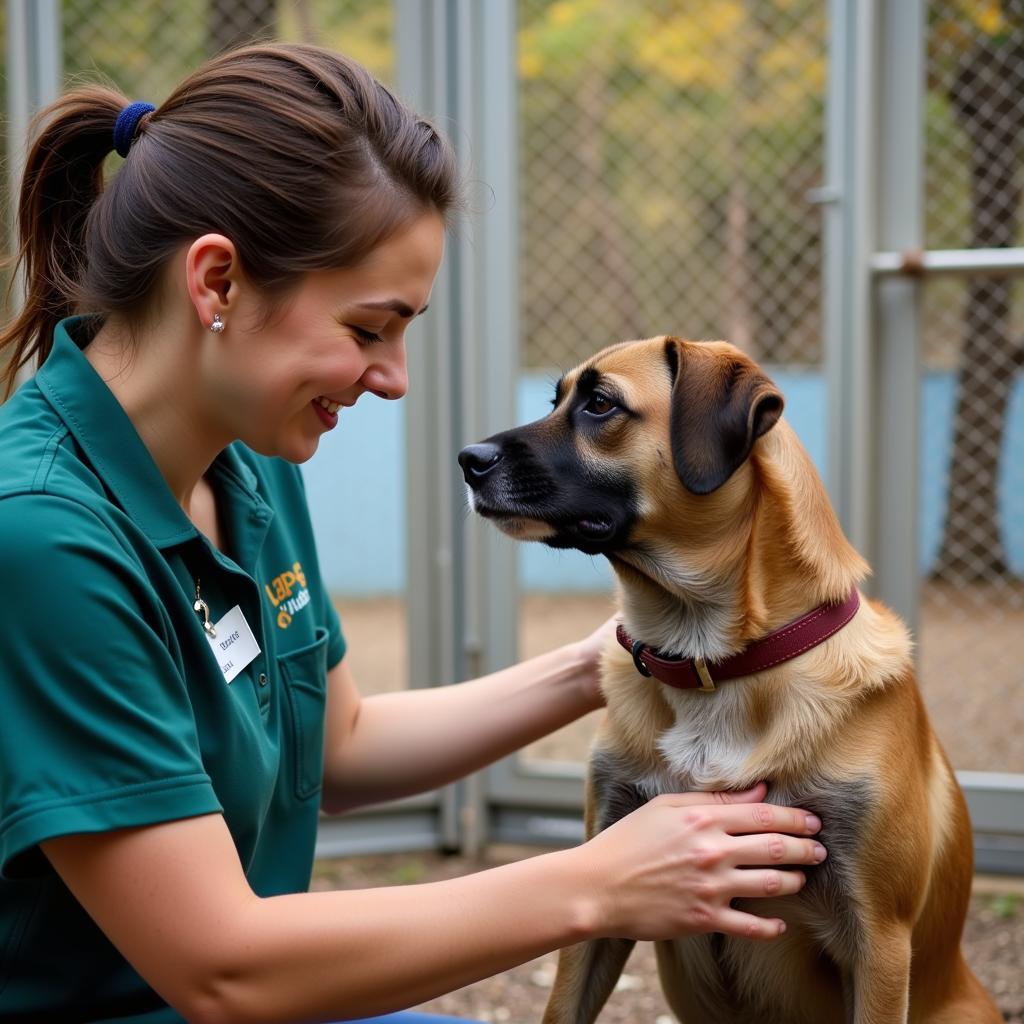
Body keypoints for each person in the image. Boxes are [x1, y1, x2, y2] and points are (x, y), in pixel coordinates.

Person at [0, 42, 827, 1024]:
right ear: (216, 283)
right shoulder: (43, 537)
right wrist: (597, 883)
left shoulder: (247, 455)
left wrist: (605, 662)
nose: (393, 377)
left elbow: (340, 746)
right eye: (366, 329)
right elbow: (223, 968)